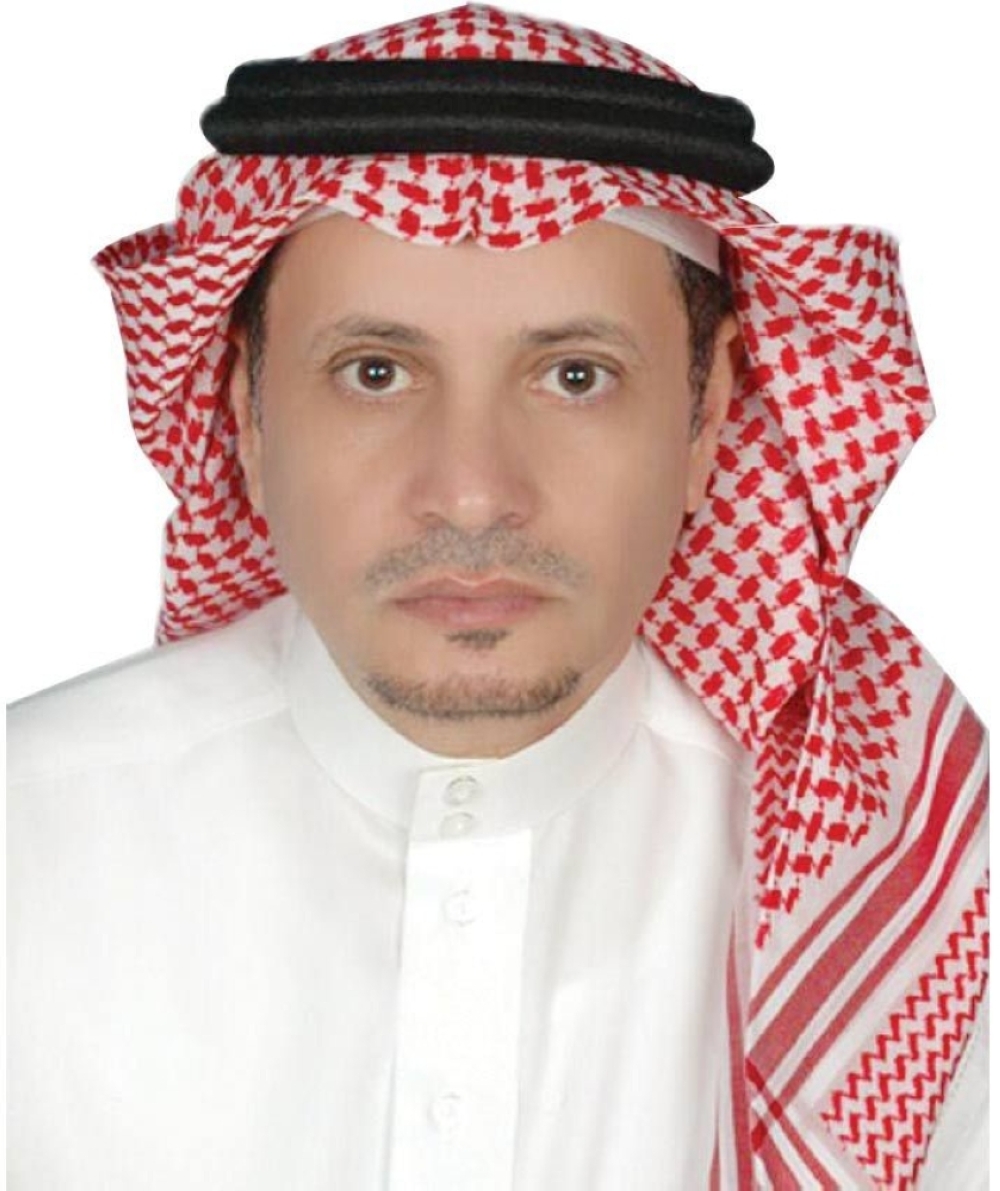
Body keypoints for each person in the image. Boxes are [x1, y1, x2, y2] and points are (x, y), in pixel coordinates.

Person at [6, 5, 988, 1188]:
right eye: (375, 372)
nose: (472, 494)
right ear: (247, 419)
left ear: (707, 417)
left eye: (574, 376)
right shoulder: (27, 841)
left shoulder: (927, 903)